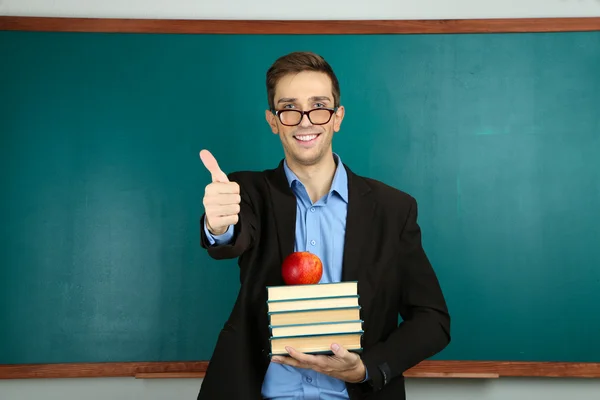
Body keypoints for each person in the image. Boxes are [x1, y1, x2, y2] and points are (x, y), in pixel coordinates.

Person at [197, 51, 450, 400]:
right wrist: (218, 223)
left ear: (337, 117)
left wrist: (366, 368)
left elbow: (432, 320)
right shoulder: (247, 193)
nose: (305, 121)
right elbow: (232, 237)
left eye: (319, 106)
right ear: (273, 121)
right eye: (289, 108)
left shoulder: (393, 209)